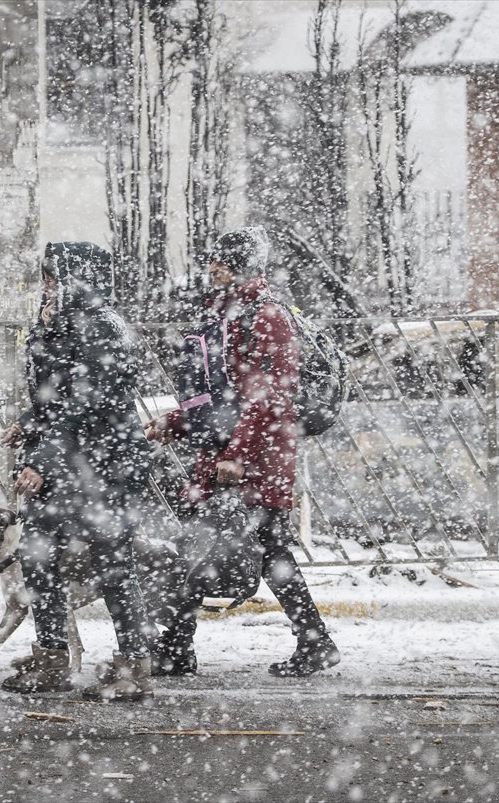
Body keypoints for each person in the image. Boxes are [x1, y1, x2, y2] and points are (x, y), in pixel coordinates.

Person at [145, 226, 340, 678]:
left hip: (256, 453)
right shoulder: (224, 313)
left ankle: (177, 646)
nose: (212, 269)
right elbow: (217, 395)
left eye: (222, 262)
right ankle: (311, 641)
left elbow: (267, 395)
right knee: (245, 545)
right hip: (232, 451)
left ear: (241, 267)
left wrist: (236, 454)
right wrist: (173, 422)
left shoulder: (265, 315)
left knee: (252, 544)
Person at [0, 241, 156, 701]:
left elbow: (84, 407)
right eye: (45, 279)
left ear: (77, 280)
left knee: (113, 566)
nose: (45, 288)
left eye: (53, 278)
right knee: (38, 556)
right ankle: (51, 658)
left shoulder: (101, 328)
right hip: (68, 459)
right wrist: (27, 424)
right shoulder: (58, 324)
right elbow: (55, 400)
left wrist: (40, 463)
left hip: (104, 466)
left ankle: (132, 665)